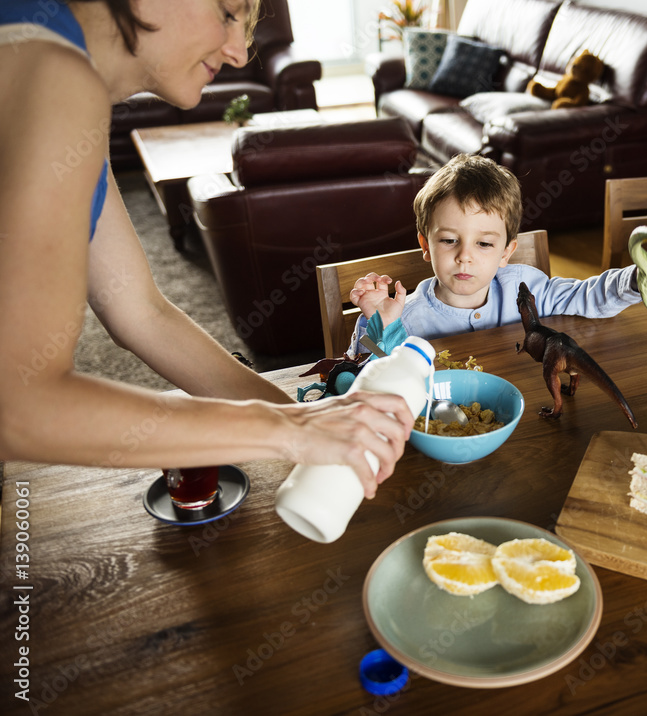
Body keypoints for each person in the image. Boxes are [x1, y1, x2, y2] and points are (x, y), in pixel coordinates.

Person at [0, 0, 411, 500]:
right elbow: (18, 404)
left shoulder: (57, 65)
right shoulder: (54, 69)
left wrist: (307, 422)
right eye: (228, 12)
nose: (240, 53)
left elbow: (140, 313)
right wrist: (288, 432)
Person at [348, 154, 642, 355]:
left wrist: (639, 278)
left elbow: (587, 297)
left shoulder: (526, 288)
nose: (465, 256)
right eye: (450, 240)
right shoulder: (406, 318)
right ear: (426, 246)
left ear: (506, 252)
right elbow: (362, 374)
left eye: (484, 244)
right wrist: (377, 324)